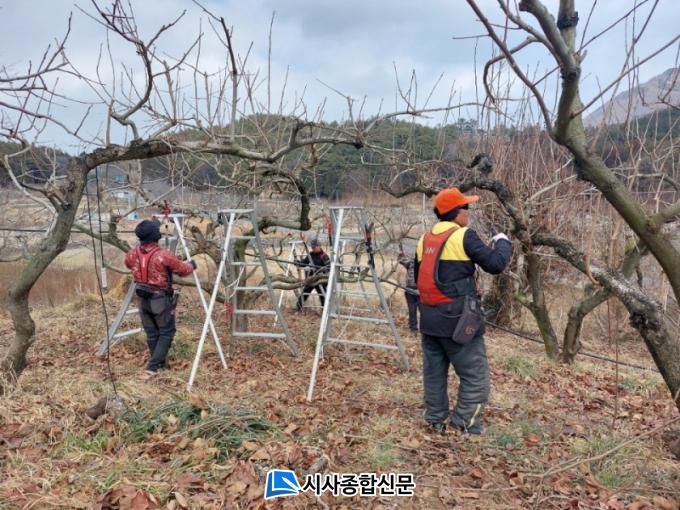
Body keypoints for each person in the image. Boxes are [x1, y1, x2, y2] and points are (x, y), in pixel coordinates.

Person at [415, 187, 512, 434]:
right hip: (458, 322)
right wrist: (502, 241)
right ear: (456, 212)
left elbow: (421, 278)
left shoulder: (424, 238)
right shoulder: (463, 235)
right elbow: (496, 264)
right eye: (466, 207)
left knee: (434, 373)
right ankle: (464, 423)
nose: (468, 212)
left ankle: (435, 419)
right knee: (475, 375)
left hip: (429, 319)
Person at [124, 219, 196, 375]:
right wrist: (192, 265)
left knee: (152, 333)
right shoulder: (163, 255)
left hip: (142, 299)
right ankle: (153, 366)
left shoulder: (131, 254)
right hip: (159, 299)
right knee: (167, 332)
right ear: (156, 236)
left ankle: (159, 366)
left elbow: (128, 264)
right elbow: (183, 270)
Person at [295, 238, 330, 311]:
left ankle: (324, 311)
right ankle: (298, 307)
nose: (313, 248)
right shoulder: (310, 254)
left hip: (320, 280)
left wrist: (321, 270)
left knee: (323, 295)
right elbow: (304, 263)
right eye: (312, 247)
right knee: (305, 293)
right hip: (311, 279)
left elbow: (329, 268)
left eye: (314, 247)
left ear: (319, 246)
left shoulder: (324, 256)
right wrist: (298, 262)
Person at [398, 250, 419, 332]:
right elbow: (401, 260)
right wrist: (400, 254)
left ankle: (425, 330)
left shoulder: (427, 264)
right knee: (412, 311)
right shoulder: (411, 263)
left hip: (422, 292)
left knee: (424, 312)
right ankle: (413, 329)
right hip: (410, 291)